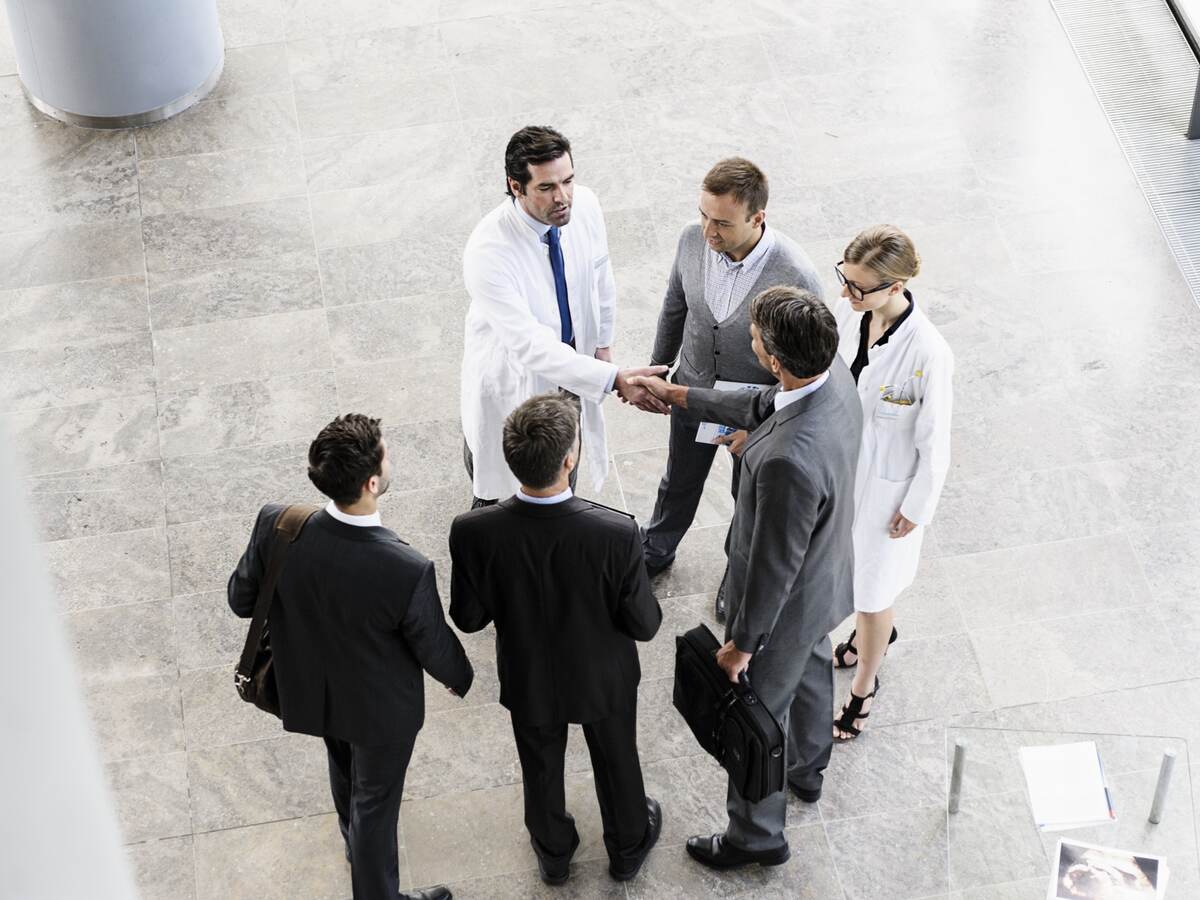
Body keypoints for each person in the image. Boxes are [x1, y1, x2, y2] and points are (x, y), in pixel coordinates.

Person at [629, 287, 861, 870]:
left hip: (783, 607)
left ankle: (756, 837)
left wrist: (742, 644)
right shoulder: (830, 378)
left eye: (755, 337)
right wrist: (682, 395)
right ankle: (808, 769)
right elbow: (766, 407)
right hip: (827, 583)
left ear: (775, 358)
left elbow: (771, 565)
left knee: (759, 716)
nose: (750, 341)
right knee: (811, 669)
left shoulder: (786, 460)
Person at [228, 414, 472, 900]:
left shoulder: (277, 523)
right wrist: (459, 675)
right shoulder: (405, 568)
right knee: (376, 805)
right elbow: (432, 643)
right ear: (372, 482)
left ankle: (353, 841)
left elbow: (241, 600)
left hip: (312, 689)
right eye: (386, 452)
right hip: (380, 711)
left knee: (344, 771)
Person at [448, 394, 664, 885]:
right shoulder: (616, 532)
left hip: (529, 675)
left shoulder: (472, 531)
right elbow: (644, 625)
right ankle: (628, 844)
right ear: (570, 459)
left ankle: (553, 852)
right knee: (616, 756)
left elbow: (468, 618)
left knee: (539, 764)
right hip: (602, 676)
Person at [643, 158, 823, 623]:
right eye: (703, 215)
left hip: (755, 412)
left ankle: (735, 576)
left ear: (757, 218)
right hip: (692, 389)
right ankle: (657, 549)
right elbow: (674, 306)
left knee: (747, 502)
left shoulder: (797, 276)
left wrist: (765, 428)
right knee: (677, 478)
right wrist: (660, 372)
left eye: (722, 222)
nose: (707, 231)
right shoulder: (690, 238)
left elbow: (810, 370)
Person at [460, 125, 667, 508]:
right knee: (501, 495)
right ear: (516, 185)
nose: (563, 197)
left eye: (568, 181)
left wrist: (602, 346)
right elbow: (530, 346)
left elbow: (601, 276)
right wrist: (613, 379)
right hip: (515, 380)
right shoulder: (487, 250)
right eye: (547, 188)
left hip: (573, 370)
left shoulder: (585, 205)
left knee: (561, 471)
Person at [829, 226, 953, 740]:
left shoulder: (928, 352)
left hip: (889, 496)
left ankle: (863, 688)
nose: (845, 294)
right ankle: (865, 640)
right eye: (846, 279)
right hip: (843, 475)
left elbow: (935, 442)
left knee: (873, 593)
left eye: (858, 287)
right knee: (846, 573)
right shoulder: (849, 316)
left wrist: (917, 507)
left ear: (896, 286)